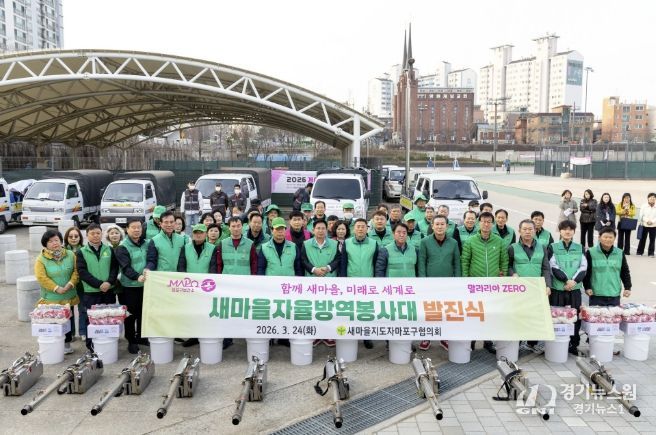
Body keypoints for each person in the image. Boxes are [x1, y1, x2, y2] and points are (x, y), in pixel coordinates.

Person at [461, 212, 508, 353]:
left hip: (492, 286)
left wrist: (503, 277)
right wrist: (465, 281)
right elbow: (465, 261)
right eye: (483, 221)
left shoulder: (499, 241)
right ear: (478, 223)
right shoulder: (470, 241)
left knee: (489, 314)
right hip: (475, 286)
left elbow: (504, 261)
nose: (486, 224)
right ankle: (472, 341)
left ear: (492, 224)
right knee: (474, 314)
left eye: (489, 222)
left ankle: (488, 341)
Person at [507, 219, 552, 350]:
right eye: (525, 229)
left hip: (536, 289)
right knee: (519, 315)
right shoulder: (512, 248)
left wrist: (547, 285)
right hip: (519, 289)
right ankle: (517, 342)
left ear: (535, 231)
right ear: (519, 231)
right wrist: (512, 273)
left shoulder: (542, 247)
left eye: (530, 229)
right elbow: (508, 265)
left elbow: (545, 268)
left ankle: (532, 343)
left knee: (535, 315)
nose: (527, 232)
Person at [35, 230, 80, 354]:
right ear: (45, 244)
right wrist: (56, 288)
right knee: (54, 321)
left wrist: (70, 283)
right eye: (50, 241)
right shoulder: (41, 259)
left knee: (68, 319)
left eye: (56, 240)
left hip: (68, 294)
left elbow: (76, 271)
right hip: (51, 297)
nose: (54, 243)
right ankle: (53, 345)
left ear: (61, 241)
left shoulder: (70, 254)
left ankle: (67, 344)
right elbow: (41, 277)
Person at [175, 223, 218, 349]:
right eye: (196, 233)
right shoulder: (185, 248)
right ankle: (194, 337)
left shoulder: (212, 248)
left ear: (205, 234)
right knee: (192, 312)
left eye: (201, 233)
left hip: (206, 287)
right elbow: (181, 266)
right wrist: (186, 282)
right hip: (190, 286)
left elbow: (213, 267)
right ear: (192, 234)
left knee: (205, 312)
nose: (198, 235)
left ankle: (204, 335)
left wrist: (209, 284)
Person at [217, 217, 258, 349]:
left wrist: (253, 280)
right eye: (233, 226)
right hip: (227, 284)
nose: (236, 228)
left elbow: (254, 263)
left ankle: (247, 336)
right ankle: (227, 338)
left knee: (245, 310)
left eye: (238, 226)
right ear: (229, 228)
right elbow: (219, 264)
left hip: (244, 284)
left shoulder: (250, 243)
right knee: (227, 311)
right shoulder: (223, 243)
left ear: (243, 226)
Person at [77, 223, 119, 351]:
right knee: (92, 319)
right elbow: (82, 272)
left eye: (98, 233)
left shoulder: (109, 249)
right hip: (91, 292)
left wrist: (109, 282)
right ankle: (91, 346)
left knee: (108, 318)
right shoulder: (81, 252)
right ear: (87, 235)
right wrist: (99, 284)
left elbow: (114, 268)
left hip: (108, 290)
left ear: (101, 234)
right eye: (92, 233)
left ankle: (109, 344)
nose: (95, 236)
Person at [548, 220, 587, 356]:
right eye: (564, 229)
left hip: (574, 289)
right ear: (560, 231)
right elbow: (553, 266)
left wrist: (573, 282)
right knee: (557, 317)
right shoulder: (553, 247)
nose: (567, 231)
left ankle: (573, 345)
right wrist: (566, 280)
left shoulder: (580, 247)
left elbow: (583, 267)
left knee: (574, 317)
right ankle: (556, 343)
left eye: (570, 229)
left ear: (574, 232)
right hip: (558, 289)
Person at [302, 220, 342, 347]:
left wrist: (328, 268)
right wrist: (314, 269)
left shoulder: (335, 244)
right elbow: (303, 260)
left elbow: (338, 259)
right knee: (314, 309)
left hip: (329, 282)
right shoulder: (306, 244)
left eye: (323, 228)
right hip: (312, 282)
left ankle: (328, 335)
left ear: (327, 230)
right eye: (318, 228)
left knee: (328, 309)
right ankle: (315, 335)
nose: (320, 231)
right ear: (313, 230)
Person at [343, 218, 379, 349]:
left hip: (367, 283)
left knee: (366, 311)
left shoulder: (373, 243)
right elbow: (344, 262)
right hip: (351, 282)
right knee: (351, 311)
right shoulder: (347, 243)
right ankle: (351, 334)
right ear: (353, 228)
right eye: (358, 226)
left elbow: (376, 263)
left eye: (363, 226)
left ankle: (366, 336)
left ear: (367, 229)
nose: (360, 229)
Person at [115, 218, 150, 354]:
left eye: (139, 227)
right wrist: (137, 276)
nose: (136, 230)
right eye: (133, 227)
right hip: (129, 286)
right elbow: (125, 267)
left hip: (145, 285)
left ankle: (141, 336)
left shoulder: (146, 243)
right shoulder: (122, 247)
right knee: (130, 315)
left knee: (143, 313)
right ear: (127, 229)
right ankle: (131, 340)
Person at [584, 227, 632, 310]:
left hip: (614, 294)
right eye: (605, 237)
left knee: (613, 318)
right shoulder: (591, 252)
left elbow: (624, 272)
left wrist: (627, 287)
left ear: (614, 238)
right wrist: (587, 287)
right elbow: (587, 272)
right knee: (597, 317)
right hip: (596, 294)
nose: (608, 239)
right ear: (599, 237)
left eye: (610, 237)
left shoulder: (620, 253)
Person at [64, 227, 86, 340]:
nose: (73, 238)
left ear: (80, 238)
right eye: (70, 236)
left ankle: (83, 332)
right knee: (69, 309)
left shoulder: (85, 249)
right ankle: (70, 333)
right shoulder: (62, 251)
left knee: (83, 308)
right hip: (68, 284)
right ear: (66, 238)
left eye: (76, 236)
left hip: (82, 284)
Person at [637, 192, 656, 257]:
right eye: (651, 197)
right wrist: (647, 221)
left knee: (652, 240)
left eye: (654, 197)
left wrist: (652, 221)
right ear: (648, 198)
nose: (652, 198)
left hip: (654, 226)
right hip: (645, 225)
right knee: (642, 239)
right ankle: (639, 252)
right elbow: (641, 215)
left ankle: (651, 253)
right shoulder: (644, 206)